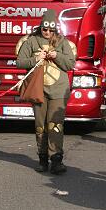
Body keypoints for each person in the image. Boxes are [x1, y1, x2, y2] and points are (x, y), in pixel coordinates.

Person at [16, 9, 76, 174]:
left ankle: (56, 160)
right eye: (45, 29)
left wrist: (57, 56)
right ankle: (42, 159)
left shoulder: (62, 42)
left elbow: (70, 64)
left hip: (58, 90)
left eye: (51, 30)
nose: (47, 32)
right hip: (38, 89)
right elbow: (19, 62)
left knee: (55, 125)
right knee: (40, 126)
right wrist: (36, 59)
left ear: (55, 29)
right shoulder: (31, 41)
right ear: (40, 27)